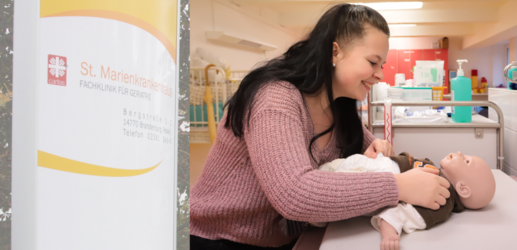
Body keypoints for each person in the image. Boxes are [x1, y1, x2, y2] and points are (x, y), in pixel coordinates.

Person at [189, 3, 451, 250]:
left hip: (283, 237)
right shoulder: (275, 98)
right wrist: (399, 186)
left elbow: (373, 154)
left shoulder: (339, 107)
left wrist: (379, 153)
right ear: (334, 52)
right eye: (372, 62)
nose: (381, 74)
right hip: (219, 239)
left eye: (381, 65)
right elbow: (294, 194)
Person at [311, 151, 496, 250]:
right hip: (365, 165)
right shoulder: (436, 173)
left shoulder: (441, 200)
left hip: (361, 179)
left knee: (316, 191)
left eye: (467, 161)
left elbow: (401, 214)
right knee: (315, 176)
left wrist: (390, 234)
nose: (460, 152)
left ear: (463, 189)